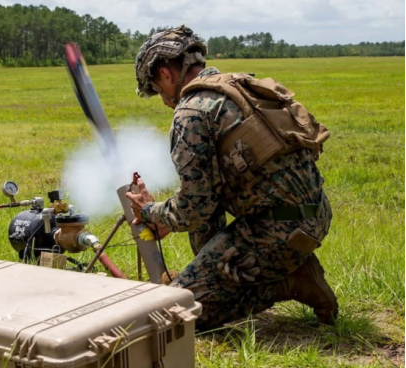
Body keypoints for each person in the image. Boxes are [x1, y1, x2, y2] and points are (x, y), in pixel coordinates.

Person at [126, 26, 338, 331]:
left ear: (166, 75)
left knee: (176, 313)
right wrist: (169, 216)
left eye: (158, 89)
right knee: (203, 247)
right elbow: (206, 194)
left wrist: (150, 211)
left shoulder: (191, 111)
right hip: (314, 217)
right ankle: (226, 279)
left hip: (279, 232)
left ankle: (291, 282)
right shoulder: (238, 87)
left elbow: (194, 208)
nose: (163, 100)